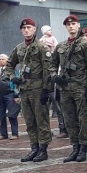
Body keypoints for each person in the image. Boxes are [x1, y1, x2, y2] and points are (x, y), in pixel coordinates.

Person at [51, 15, 87, 163]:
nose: (71, 26)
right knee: (69, 118)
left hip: (80, 86)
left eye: (74, 24)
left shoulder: (84, 44)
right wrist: (54, 76)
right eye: (68, 24)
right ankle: (75, 147)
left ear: (78, 26)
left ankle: (84, 147)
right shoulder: (61, 46)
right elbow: (52, 64)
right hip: (65, 87)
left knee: (83, 118)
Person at [8, 18, 53, 162]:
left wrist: (47, 89)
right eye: (24, 28)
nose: (26, 30)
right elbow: (10, 64)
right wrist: (12, 77)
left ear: (34, 29)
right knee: (29, 121)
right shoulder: (19, 48)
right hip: (24, 88)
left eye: (29, 27)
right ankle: (34, 148)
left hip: (38, 88)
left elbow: (47, 70)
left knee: (41, 120)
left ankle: (43, 149)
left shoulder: (41, 47)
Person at [0, 54, 19, 140]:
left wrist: (16, 95)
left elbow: (15, 82)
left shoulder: (11, 70)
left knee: (12, 115)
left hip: (9, 94)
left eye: (3, 59)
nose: (1, 61)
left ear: (7, 60)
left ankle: (14, 133)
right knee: (1, 115)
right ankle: (3, 134)